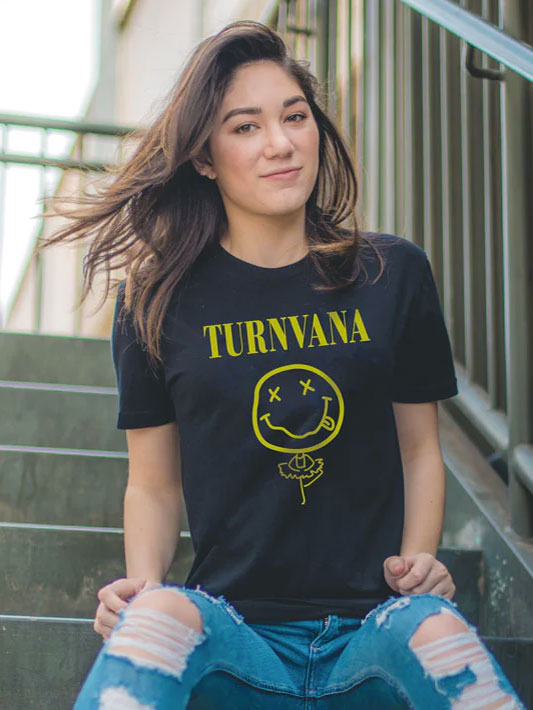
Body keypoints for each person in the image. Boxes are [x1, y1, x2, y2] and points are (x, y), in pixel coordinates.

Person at [45, 19, 525, 710]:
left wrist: (419, 562)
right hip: (234, 638)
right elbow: (152, 484)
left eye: (294, 117)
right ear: (204, 158)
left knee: (437, 630)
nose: (280, 144)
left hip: (373, 634)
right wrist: (142, 587)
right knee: (155, 618)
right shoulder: (155, 303)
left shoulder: (392, 275)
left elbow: (419, 449)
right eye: (245, 127)